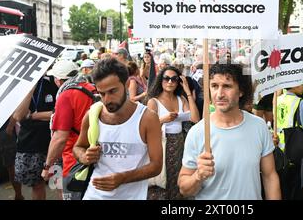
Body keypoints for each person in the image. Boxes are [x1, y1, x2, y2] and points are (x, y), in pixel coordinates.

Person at [178, 63, 281, 200]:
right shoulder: (197, 132)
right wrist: (198, 176)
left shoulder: (259, 126)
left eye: (227, 86)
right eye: (214, 86)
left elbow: (270, 176)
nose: (219, 94)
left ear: (241, 91)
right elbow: (184, 189)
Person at [73, 58, 162, 200]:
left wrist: (122, 178)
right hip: (94, 195)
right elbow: (78, 147)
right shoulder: (93, 115)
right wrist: (84, 156)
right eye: (101, 93)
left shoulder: (147, 118)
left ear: (126, 84)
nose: (107, 99)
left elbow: (156, 165)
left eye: (112, 91)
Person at [41, 60, 95, 200]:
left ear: (58, 80)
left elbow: (60, 137)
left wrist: (47, 166)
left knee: (69, 195)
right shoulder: (91, 88)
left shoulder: (66, 95)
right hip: (94, 156)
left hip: (73, 161)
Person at [146, 66, 200, 199]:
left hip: (180, 144)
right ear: (161, 80)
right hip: (162, 145)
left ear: (178, 82)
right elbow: (147, 128)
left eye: (174, 79)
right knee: (162, 180)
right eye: (166, 78)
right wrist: (162, 120)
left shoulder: (181, 99)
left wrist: (187, 91)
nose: (170, 82)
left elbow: (195, 118)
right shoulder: (153, 101)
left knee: (177, 179)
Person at [12, 75, 58, 200]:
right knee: (37, 186)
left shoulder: (52, 82)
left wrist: (33, 116)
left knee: (58, 184)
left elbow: (59, 113)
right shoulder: (19, 85)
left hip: (53, 143)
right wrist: (30, 88)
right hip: (30, 145)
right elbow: (18, 115)